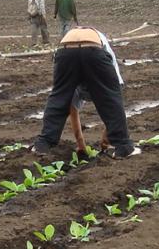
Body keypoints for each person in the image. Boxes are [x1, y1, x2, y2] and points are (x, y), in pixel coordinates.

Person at [33, 26, 137, 158]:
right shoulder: (105, 52)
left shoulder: (76, 84)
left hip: (65, 51)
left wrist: (81, 144)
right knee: (111, 98)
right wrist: (110, 136)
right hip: (92, 48)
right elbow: (113, 103)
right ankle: (123, 147)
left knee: (59, 97)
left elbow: (71, 109)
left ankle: (43, 144)